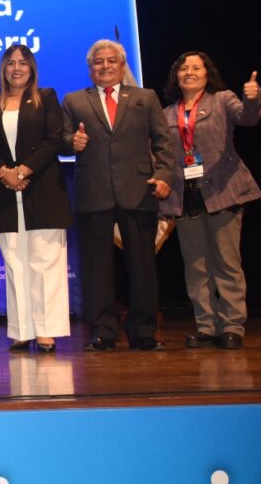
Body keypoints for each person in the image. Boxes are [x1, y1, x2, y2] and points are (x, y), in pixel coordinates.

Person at [62, 39, 175, 351]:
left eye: (111, 60)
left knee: (142, 268)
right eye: (98, 62)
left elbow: (164, 142)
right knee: (96, 268)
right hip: (93, 192)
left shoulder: (145, 97)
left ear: (122, 65)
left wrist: (164, 175)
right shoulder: (74, 100)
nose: (105, 66)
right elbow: (61, 140)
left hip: (139, 191)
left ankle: (144, 332)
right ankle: (102, 331)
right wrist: (72, 143)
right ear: (90, 69)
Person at [160, 53, 261, 350]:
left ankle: (232, 326)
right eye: (183, 68)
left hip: (222, 191)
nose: (189, 72)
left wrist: (253, 98)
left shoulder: (223, 100)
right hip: (185, 196)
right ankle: (206, 325)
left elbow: (248, 117)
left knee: (226, 263)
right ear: (176, 76)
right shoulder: (167, 113)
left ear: (208, 74)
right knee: (196, 266)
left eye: (196, 68)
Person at [0, 45, 72, 353]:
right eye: (11, 63)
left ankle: (46, 332)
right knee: (15, 264)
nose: (17, 68)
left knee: (45, 264)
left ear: (32, 68)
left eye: (23, 63)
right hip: (5, 194)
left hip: (43, 190)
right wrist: (4, 172)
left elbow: (54, 139)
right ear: (3, 69)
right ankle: (22, 330)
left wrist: (24, 170)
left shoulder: (47, 97)